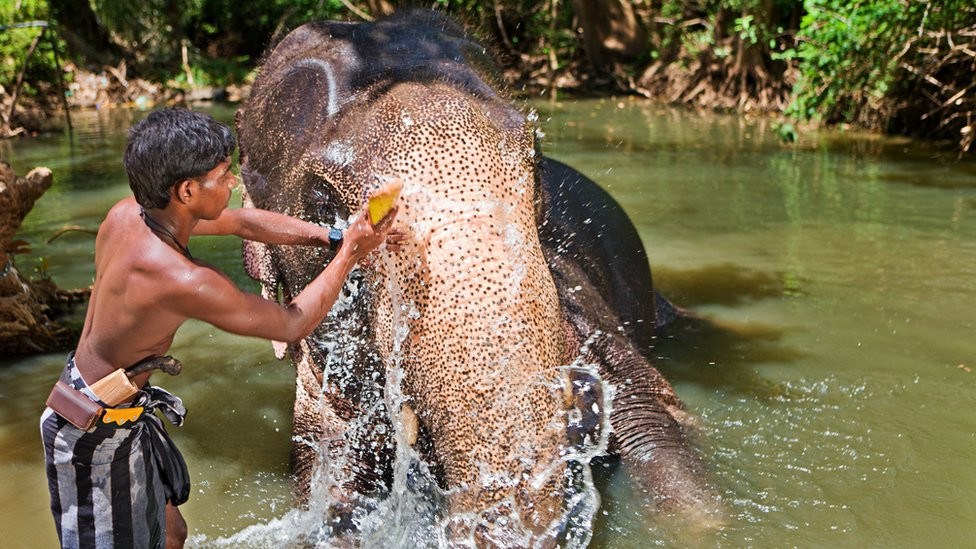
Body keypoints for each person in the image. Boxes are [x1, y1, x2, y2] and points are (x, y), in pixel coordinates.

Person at [39, 108, 403, 549]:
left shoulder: (129, 213)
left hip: (103, 402)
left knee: (172, 534)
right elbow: (292, 323)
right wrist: (350, 254)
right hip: (92, 432)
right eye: (224, 174)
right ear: (188, 190)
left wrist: (336, 234)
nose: (233, 184)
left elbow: (245, 223)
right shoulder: (182, 279)